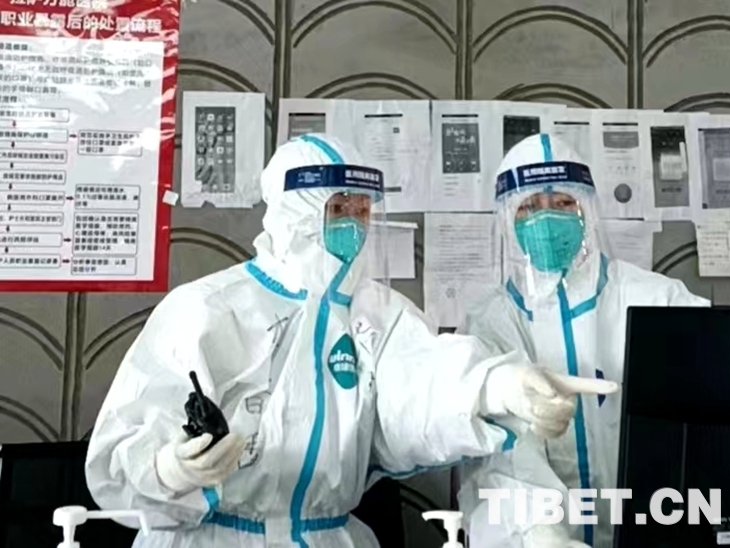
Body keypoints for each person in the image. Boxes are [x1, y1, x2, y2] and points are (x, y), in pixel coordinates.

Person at [85, 134, 617, 548]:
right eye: (337, 209)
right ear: (294, 212)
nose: (354, 224)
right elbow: (124, 443)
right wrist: (166, 469)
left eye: (362, 210)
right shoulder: (208, 308)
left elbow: (423, 376)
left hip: (328, 536)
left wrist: (496, 385)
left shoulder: (376, 314)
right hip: (211, 537)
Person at [457, 133, 710, 548]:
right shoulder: (490, 322)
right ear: (507, 219)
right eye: (529, 206)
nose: (547, 218)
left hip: (653, 525)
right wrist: (540, 534)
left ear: (587, 210)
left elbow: (721, 384)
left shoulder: (656, 298)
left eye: (562, 203)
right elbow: (496, 454)